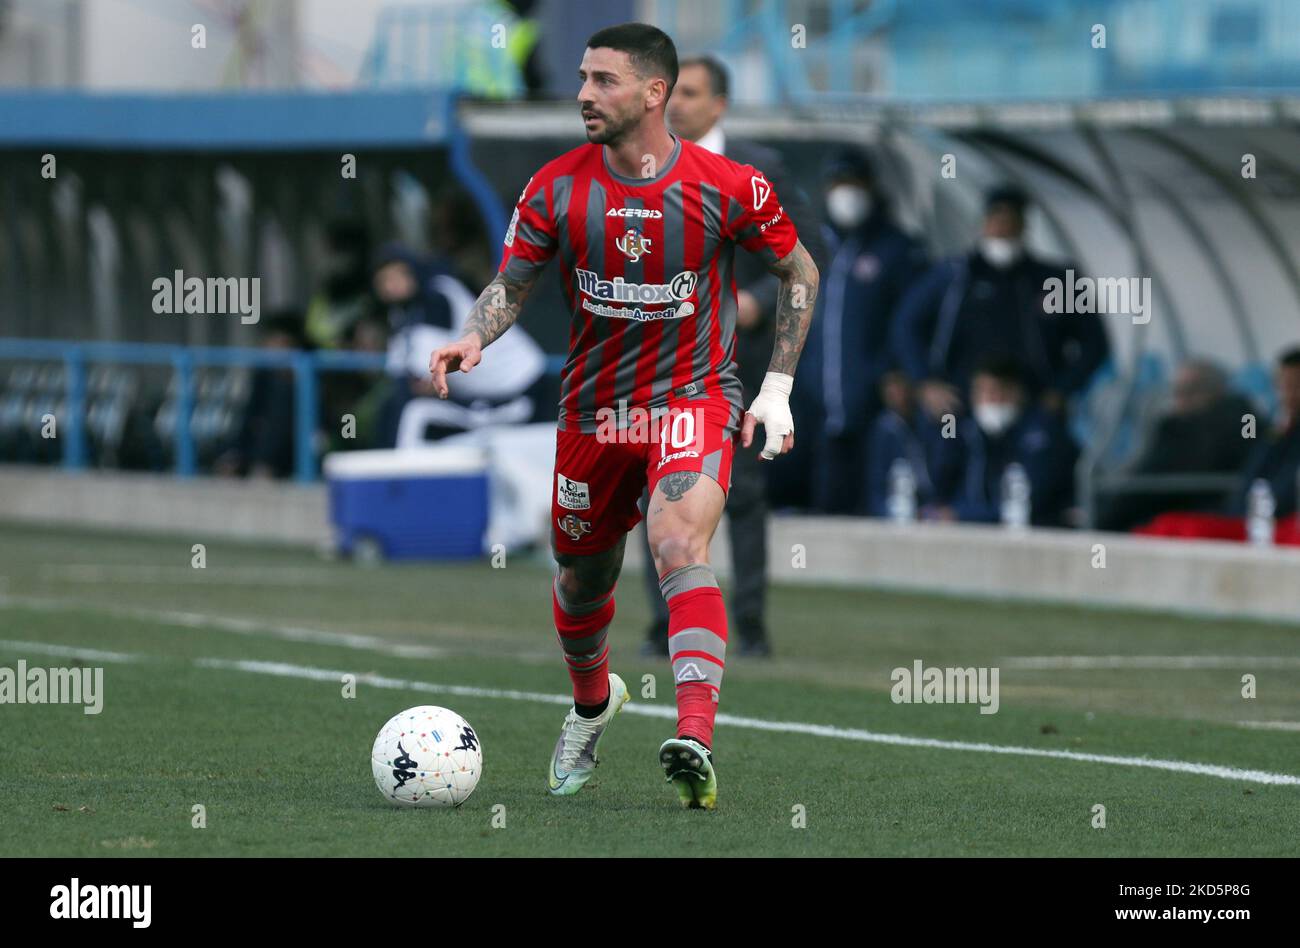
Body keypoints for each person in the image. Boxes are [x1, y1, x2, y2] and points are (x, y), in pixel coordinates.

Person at [427, 23, 818, 810]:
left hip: (693, 397)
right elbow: (513, 281)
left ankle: (695, 737)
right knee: (581, 580)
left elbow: (797, 267)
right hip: (594, 414)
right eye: (581, 77)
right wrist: (474, 334)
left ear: (654, 93)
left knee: (678, 541)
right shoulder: (554, 186)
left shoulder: (728, 185)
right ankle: (592, 703)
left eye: (603, 80)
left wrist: (775, 387)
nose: (582, 94)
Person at [628, 53, 821, 660]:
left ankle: (753, 626)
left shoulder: (759, 169)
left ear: (720, 104)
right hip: (660, 360)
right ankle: (665, 626)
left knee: (745, 491)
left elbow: (804, 255)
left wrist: (759, 301)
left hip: (741, 361)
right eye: (670, 93)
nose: (675, 103)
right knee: (659, 489)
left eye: (689, 93)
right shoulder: (642, 164)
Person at [893, 185, 1109, 421]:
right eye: (996, 221)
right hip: (960, 409)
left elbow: (1094, 342)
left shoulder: (1055, 280)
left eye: (1010, 223)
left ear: (1024, 227)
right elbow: (905, 324)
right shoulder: (953, 276)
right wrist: (924, 382)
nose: (1002, 230)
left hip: (1034, 409)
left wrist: (1062, 390)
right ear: (983, 224)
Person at [801, 147, 929, 513]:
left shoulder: (898, 249)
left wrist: (896, 371)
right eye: (839, 183)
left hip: (878, 403)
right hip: (817, 403)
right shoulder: (812, 244)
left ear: (871, 187)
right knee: (826, 503)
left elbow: (913, 323)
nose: (847, 192)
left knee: (878, 502)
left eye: (855, 183)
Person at [1096, 359, 1256, 531]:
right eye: (1176, 392)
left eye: (1183, 392)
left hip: (1189, 511)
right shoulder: (1246, 418)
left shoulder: (1184, 431)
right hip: (1199, 508)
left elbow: (1150, 479)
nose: (1177, 401)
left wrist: (1105, 518)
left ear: (1207, 393)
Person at [947, 355, 1079, 526]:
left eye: (998, 391)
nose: (991, 400)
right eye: (983, 392)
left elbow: (1027, 506)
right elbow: (945, 478)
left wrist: (960, 514)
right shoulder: (967, 432)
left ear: (1018, 393)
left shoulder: (1042, 431)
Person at [865, 369, 963, 519]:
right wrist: (890, 512)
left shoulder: (943, 419)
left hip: (941, 507)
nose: (896, 393)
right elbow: (876, 488)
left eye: (900, 385)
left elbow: (950, 460)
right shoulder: (883, 428)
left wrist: (946, 417)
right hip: (902, 509)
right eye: (890, 387)